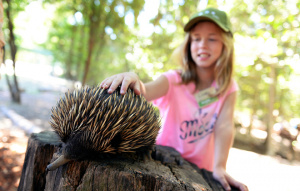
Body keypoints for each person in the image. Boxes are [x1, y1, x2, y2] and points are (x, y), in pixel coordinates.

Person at [101, 7, 248, 191]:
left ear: (225, 45)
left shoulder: (228, 87)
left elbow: (225, 125)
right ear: (188, 44)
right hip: (162, 162)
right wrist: (133, 78)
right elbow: (145, 91)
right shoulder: (173, 79)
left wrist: (220, 166)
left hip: (200, 172)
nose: (203, 44)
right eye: (196, 38)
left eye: (212, 39)